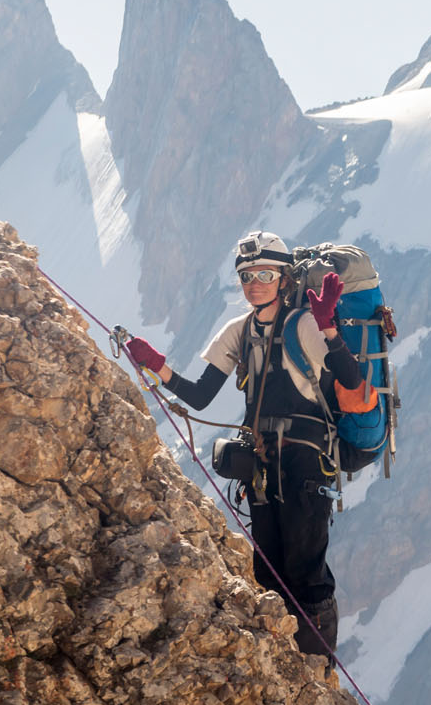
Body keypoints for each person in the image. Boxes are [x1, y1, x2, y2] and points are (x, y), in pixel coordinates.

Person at [124, 230, 361, 658]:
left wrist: (328, 329)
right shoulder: (239, 330)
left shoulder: (303, 324)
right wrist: (156, 365)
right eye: (247, 274)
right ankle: (286, 660)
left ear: (284, 278)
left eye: (265, 273)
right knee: (267, 569)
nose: (255, 282)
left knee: (305, 572)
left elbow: (352, 381)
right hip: (264, 464)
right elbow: (199, 395)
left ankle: (318, 670)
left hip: (307, 466)